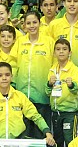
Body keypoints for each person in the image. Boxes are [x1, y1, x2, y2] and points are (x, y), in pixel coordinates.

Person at [0, 62, 56, 147]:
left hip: (18, 143)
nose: (4, 78)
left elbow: (36, 116)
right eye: (0, 75)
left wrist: (48, 133)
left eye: (7, 75)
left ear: (11, 77)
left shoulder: (20, 96)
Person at [15, 11, 55, 140]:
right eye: (28, 23)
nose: (32, 26)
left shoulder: (49, 42)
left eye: (34, 22)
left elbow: (55, 65)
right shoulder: (20, 42)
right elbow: (13, 64)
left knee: (41, 134)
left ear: (40, 23)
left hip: (42, 96)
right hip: (22, 96)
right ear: (24, 25)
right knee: (23, 134)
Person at [47, 38, 78, 147]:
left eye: (64, 49)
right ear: (54, 53)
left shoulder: (74, 69)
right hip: (56, 111)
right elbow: (47, 92)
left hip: (69, 111)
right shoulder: (52, 69)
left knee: (70, 139)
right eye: (58, 49)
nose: (61, 52)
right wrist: (49, 84)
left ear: (70, 52)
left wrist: (71, 85)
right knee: (57, 138)